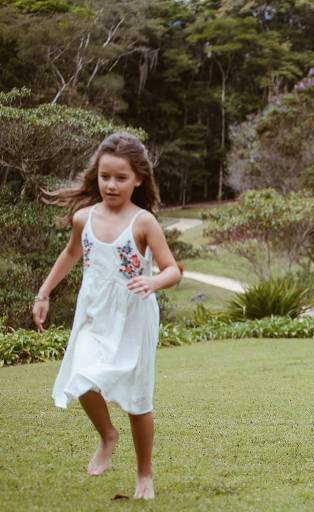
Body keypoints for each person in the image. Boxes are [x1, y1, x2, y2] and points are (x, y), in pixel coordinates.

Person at [32, 133, 181, 499]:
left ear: (139, 179)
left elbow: (173, 270)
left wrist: (153, 281)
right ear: (96, 175)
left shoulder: (144, 222)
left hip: (134, 316)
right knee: (81, 376)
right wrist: (44, 293)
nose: (111, 185)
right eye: (104, 177)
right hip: (95, 313)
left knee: (137, 400)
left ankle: (144, 475)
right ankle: (107, 436)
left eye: (121, 178)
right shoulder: (84, 217)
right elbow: (69, 254)